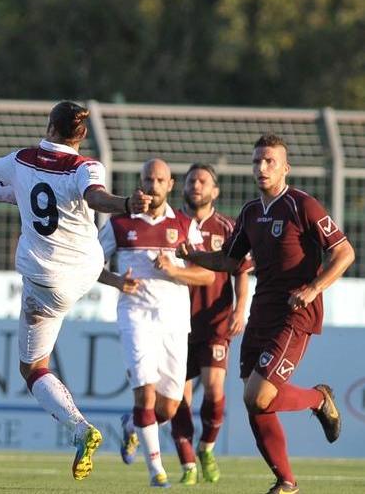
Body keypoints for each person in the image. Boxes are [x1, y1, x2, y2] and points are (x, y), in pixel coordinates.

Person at [0, 100, 152, 481]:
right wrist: (126, 203)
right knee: (21, 193)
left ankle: (80, 428)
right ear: (83, 135)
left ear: (50, 127)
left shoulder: (22, 158)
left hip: (46, 282)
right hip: (87, 269)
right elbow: (95, 198)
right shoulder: (88, 166)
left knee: (32, 368)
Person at [179, 134, 352, 494]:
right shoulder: (251, 213)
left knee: (258, 396)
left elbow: (345, 252)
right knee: (254, 402)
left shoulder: (302, 206)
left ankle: (319, 398)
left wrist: (313, 288)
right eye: (257, 161)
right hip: (262, 313)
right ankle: (286, 482)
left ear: (285, 168)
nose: (261, 167)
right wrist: (190, 255)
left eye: (269, 161)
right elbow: (229, 261)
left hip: (296, 312)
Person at [97, 158, 214, 488]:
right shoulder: (120, 223)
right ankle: (156, 471)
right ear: (141, 180)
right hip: (135, 317)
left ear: (170, 185)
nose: (153, 185)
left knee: (168, 406)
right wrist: (117, 281)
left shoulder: (183, 225)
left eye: (160, 180)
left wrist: (175, 270)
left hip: (175, 323)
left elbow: (206, 274)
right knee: (145, 396)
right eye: (148, 179)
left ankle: (132, 427)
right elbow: (90, 263)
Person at [169, 163, 252, 485]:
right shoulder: (172, 223)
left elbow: (242, 271)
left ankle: (207, 447)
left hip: (216, 321)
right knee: (179, 398)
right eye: (191, 180)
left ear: (215, 190)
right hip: (175, 323)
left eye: (203, 181)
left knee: (215, 389)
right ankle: (188, 464)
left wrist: (240, 309)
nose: (196, 185)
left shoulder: (228, 228)